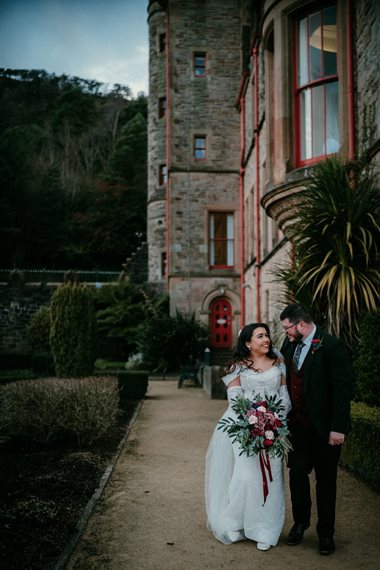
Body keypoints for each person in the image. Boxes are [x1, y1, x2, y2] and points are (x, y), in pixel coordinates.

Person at [205, 323, 291, 551]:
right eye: (260, 336)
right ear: (247, 343)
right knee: (246, 476)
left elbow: (284, 395)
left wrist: (273, 420)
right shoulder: (238, 366)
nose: (266, 340)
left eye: (267, 336)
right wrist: (255, 421)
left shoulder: (279, 363)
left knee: (272, 477)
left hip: (275, 428)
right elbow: (235, 400)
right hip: (243, 427)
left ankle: (264, 529)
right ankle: (235, 522)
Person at [279, 303, 353, 556]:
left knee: (326, 482)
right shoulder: (288, 345)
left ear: (301, 324)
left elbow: (342, 390)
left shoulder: (332, 345)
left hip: (324, 430)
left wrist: (338, 428)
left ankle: (325, 534)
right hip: (296, 428)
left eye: (287, 328)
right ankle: (300, 523)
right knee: (297, 477)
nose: (285, 333)